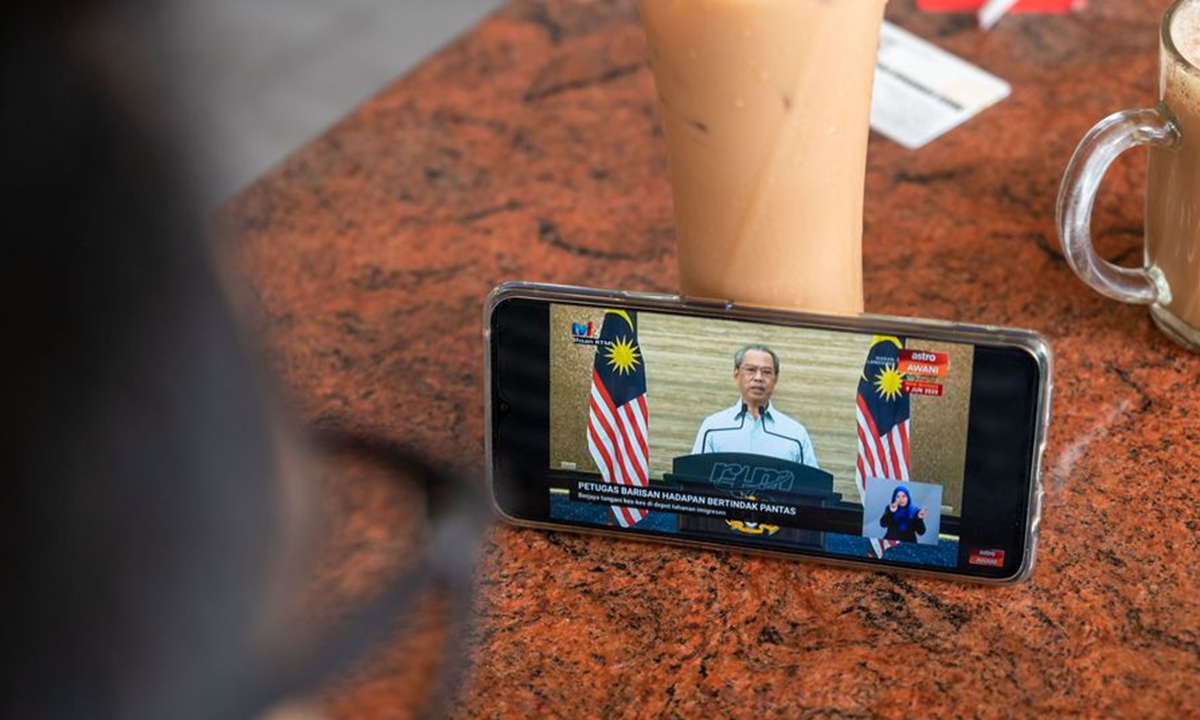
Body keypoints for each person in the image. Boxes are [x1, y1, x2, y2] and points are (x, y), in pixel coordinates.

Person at [691, 345, 819, 467]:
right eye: (751, 370)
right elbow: (693, 478)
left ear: (775, 379)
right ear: (736, 374)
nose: (758, 378)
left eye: (766, 372)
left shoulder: (795, 434)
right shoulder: (713, 427)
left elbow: (812, 486)